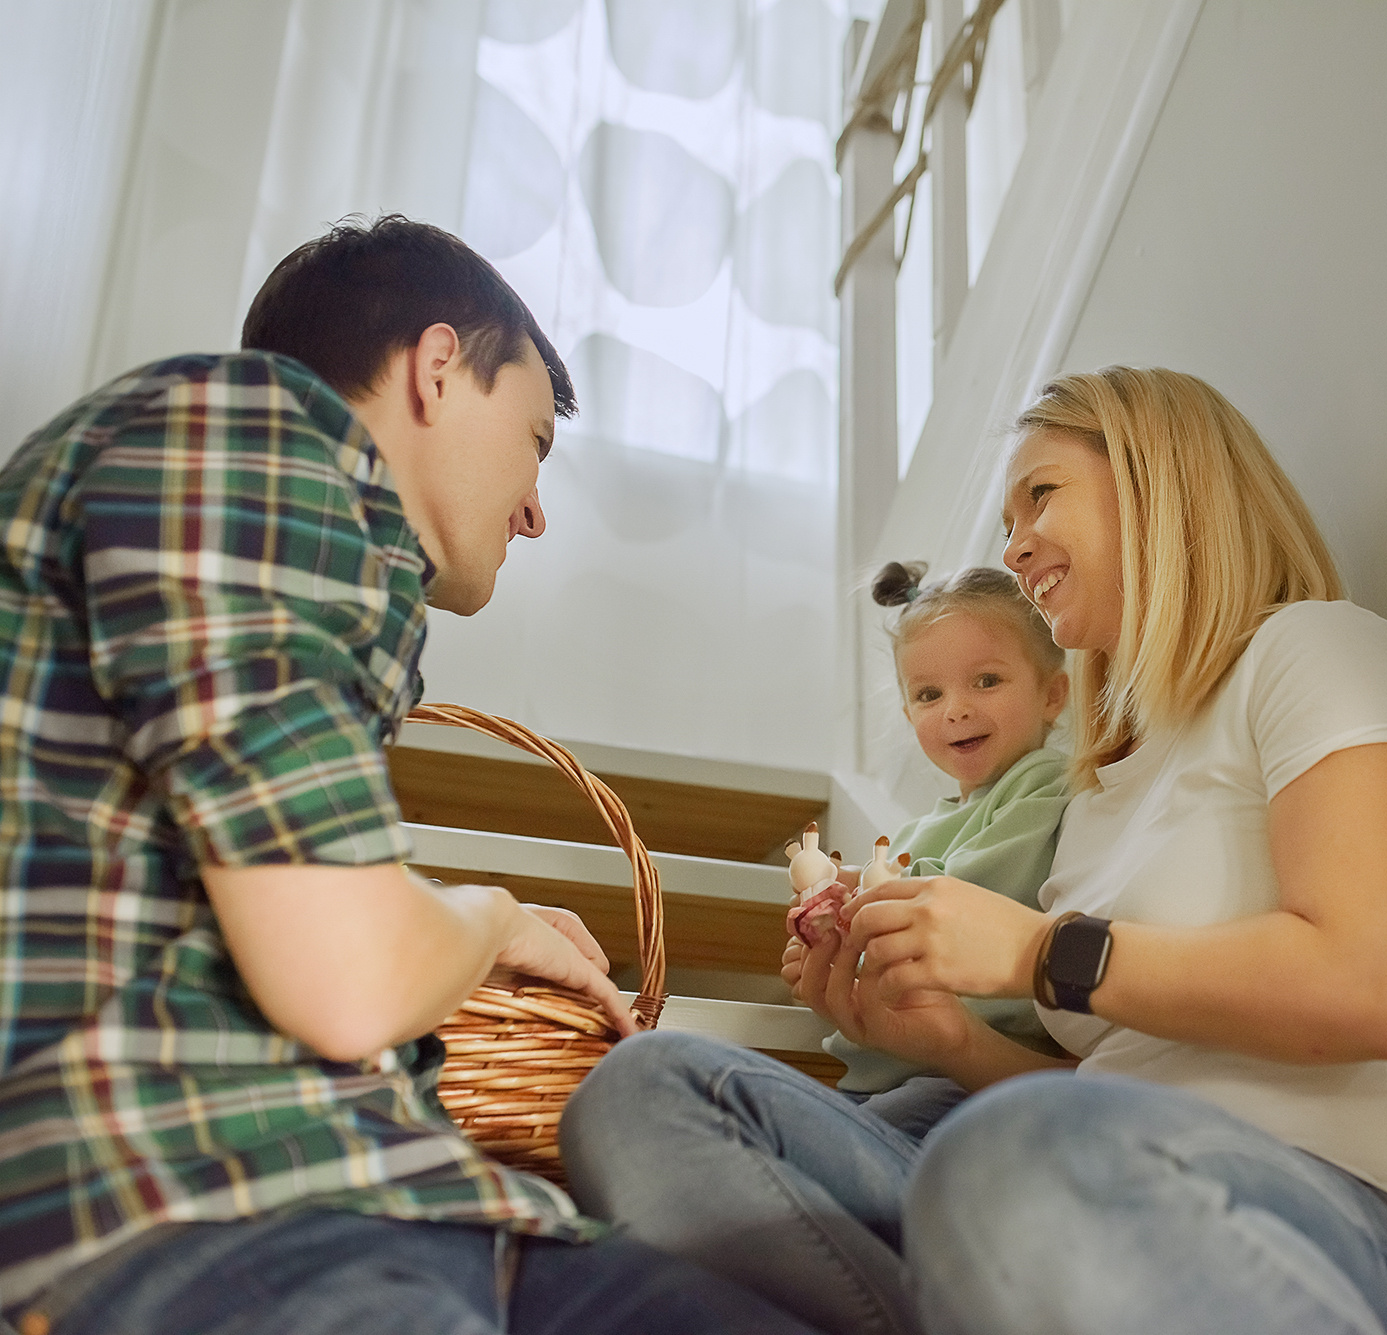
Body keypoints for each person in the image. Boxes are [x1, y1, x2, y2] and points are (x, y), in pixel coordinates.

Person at [564, 364, 1387, 1335]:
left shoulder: (1312, 649)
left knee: (1002, 1153)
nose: (1013, 548)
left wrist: (1035, 952)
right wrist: (943, 1039)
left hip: (1351, 1233)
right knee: (649, 1091)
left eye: (1039, 496)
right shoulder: (1097, 786)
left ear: (1156, 479)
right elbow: (1096, 1093)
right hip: (1071, 1198)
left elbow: (1363, 984)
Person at [0, 216, 812, 1335]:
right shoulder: (245, 436)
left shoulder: (314, 551)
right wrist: (486, 918)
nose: (535, 507)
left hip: (399, 1207)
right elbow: (347, 977)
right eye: (532, 440)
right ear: (437, 370)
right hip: (199, 1208)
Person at [798, 560, 1073, 1138]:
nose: (955, 709)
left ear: (1053, 694)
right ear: (908, 713)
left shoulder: (1043, 781)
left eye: (987, 681)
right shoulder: (918, 832)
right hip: (884, 1070)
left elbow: (973, 896)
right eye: (928, 694)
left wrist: (858, 895)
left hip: (966, 1075)